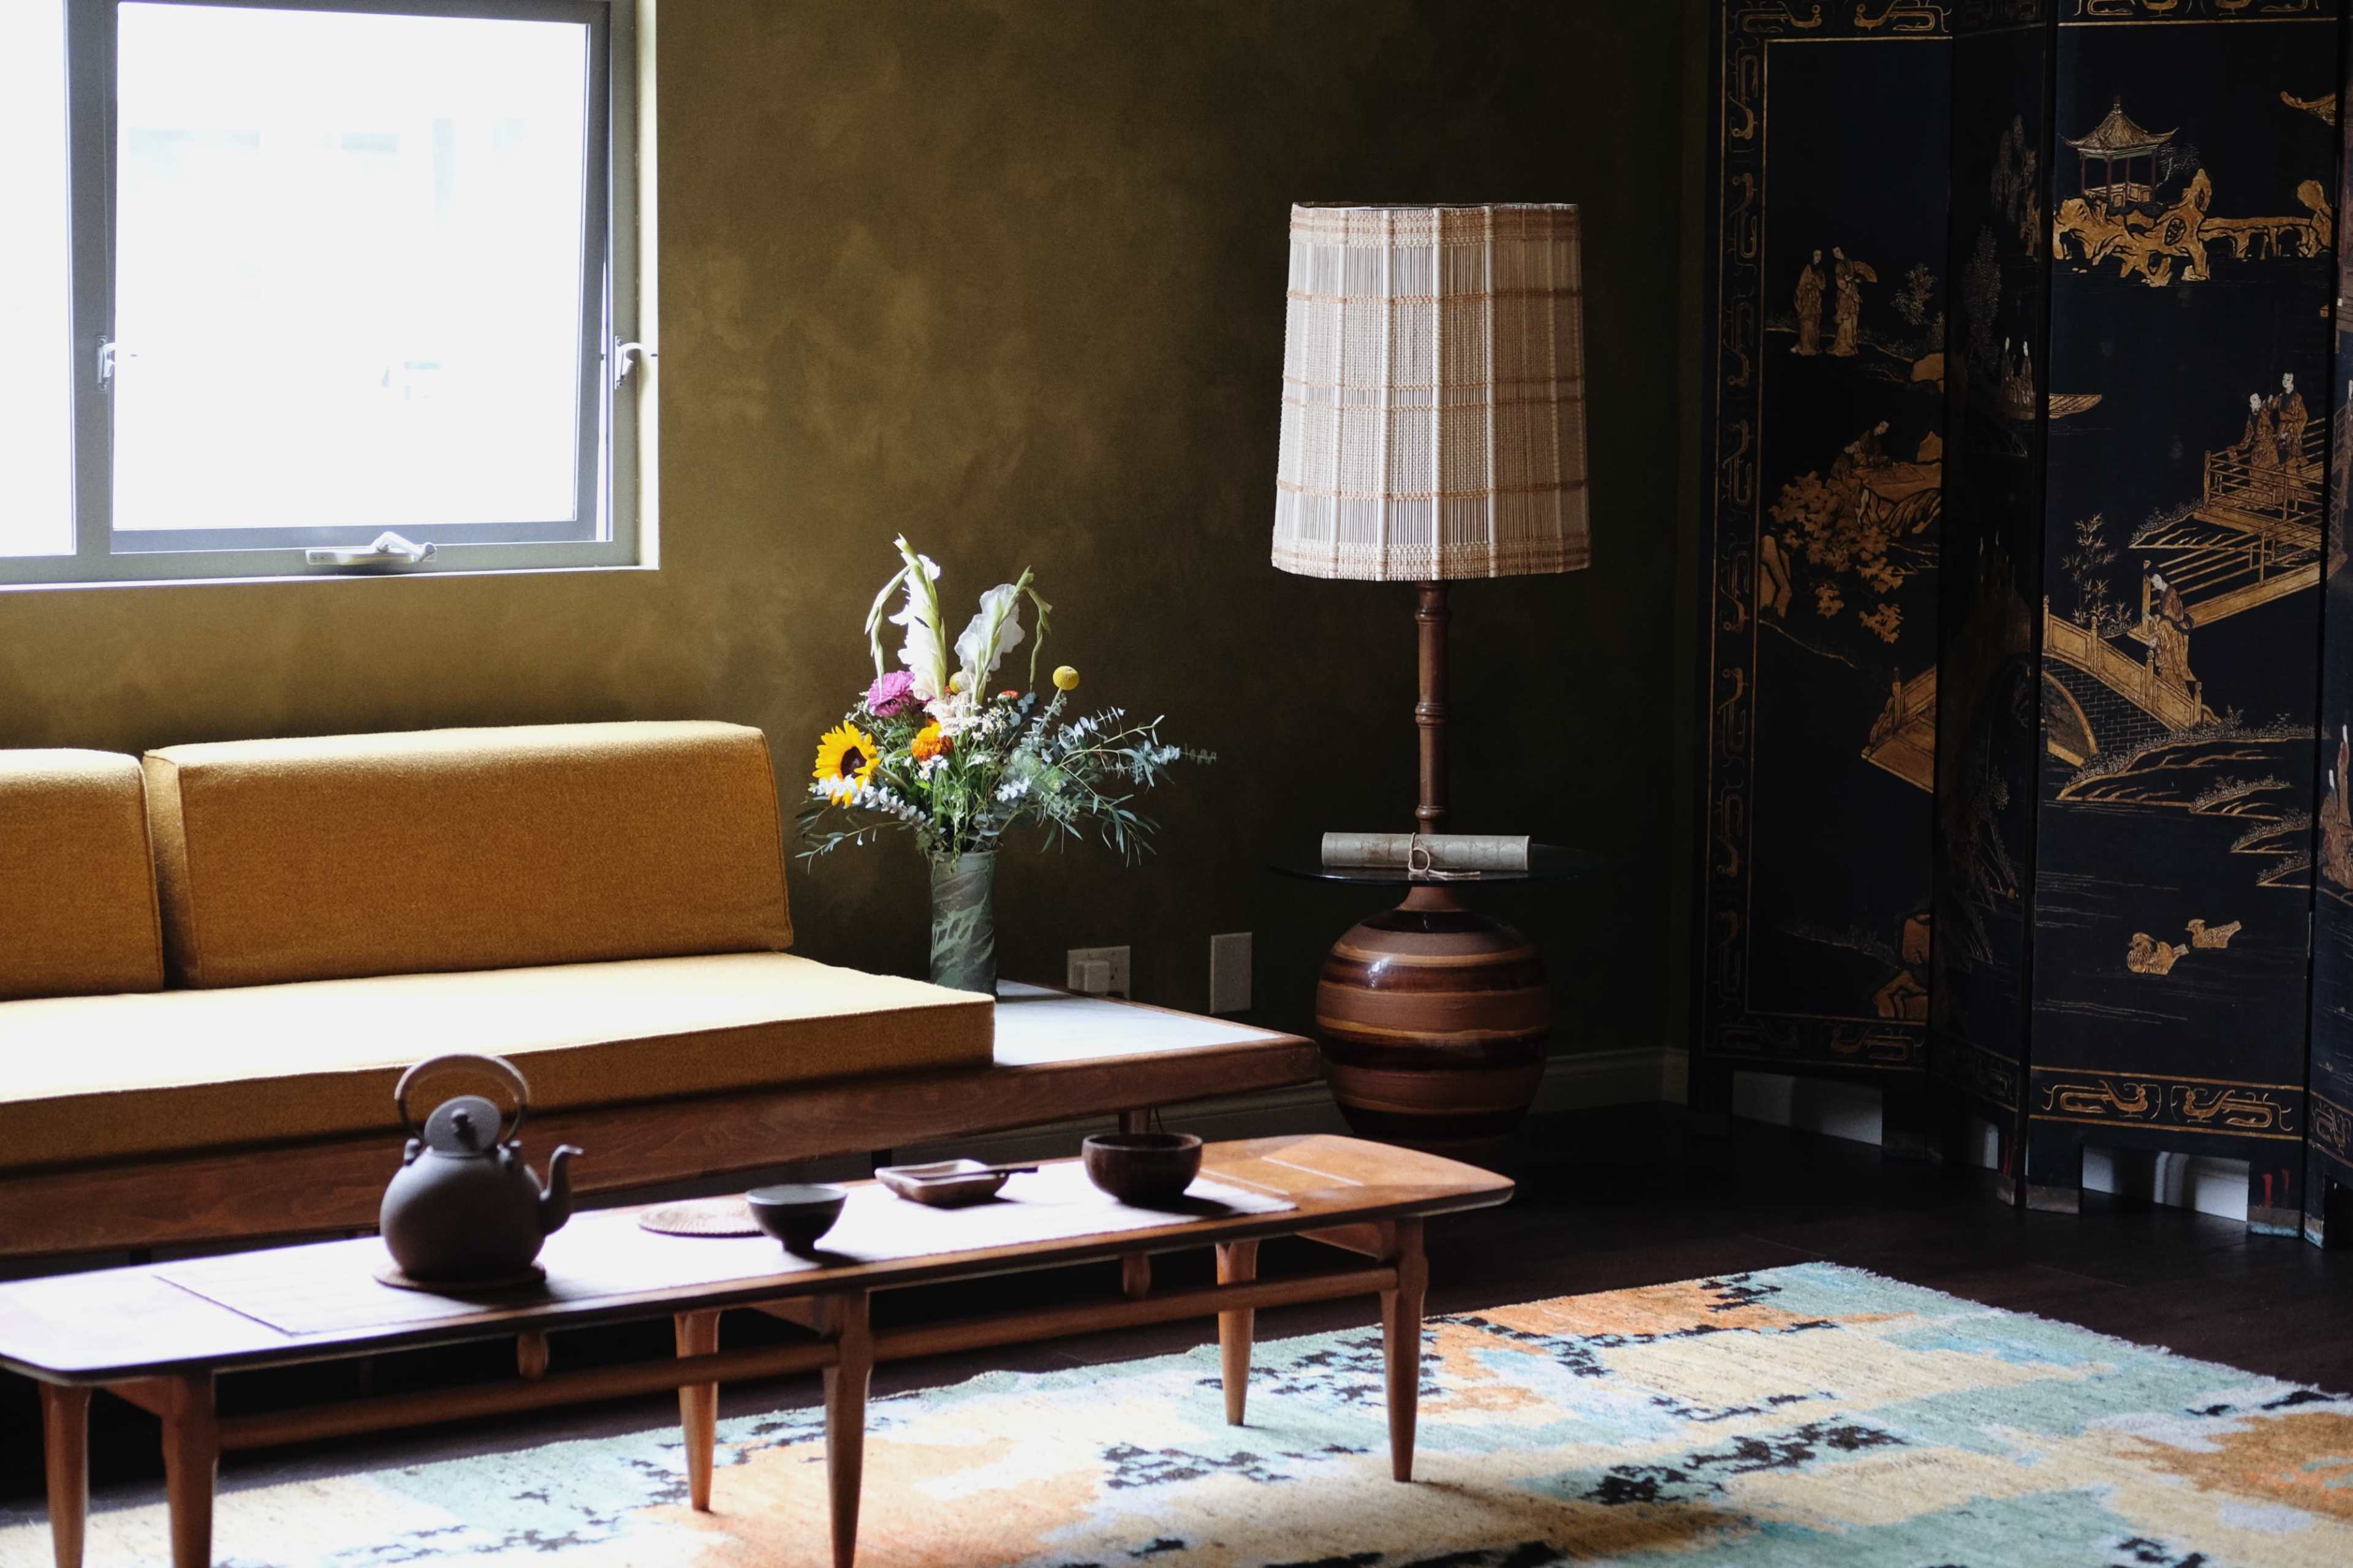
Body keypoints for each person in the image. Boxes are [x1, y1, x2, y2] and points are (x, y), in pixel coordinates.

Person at [2148, 569, 2194, 689]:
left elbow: (2176, 614)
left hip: (2176, 625)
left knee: (2162, 628)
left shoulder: (2171, 592)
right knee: (2160, 626)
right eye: (2153, 583)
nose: (2156, 584)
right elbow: (2163, 613)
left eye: (2157, 581)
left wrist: (2162, 618)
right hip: (2168, 623)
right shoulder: (2162, 593)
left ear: (2162, 578)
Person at [1830, 246, 1863, 357]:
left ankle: (1851, 346)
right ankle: (1843, 347)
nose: (1836, 254)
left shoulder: (1849, 261)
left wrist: (1854, 279)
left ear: (1841, 251)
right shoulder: (1838, 265)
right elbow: (1840, 280)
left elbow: (1853, 276)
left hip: (1853, 294)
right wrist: (1848, 283)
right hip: (1845, 294)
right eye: (1834, 253)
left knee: (1853, 320)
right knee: (1845, 319)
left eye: (1837, 251)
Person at [1794, 250, 1825, 355]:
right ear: (1813, 256)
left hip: (1816, 300)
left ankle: (1814, 346)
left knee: (1815, 322)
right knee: (1806, 321)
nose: (1818, 257)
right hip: (1807, 299)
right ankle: (1805, 346)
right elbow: (1801, 284)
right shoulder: (1808, 268)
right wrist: (1804, 291)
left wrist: (1816, 279)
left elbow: (1823, 286)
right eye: (1816, 255)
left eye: (1820, 255)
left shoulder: (1820, 270)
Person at [2277, 372, 2308, 472]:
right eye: (2284, 379)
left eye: (2288, 379)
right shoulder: (2281, 396)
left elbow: (2303, 418)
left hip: (2291, 432)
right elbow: (2271, 406)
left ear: (2293, 382)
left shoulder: (2297, 398)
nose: (2285, 382)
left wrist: (2289, 432)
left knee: (2291, 462)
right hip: (2281, 430)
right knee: (2280, 458)